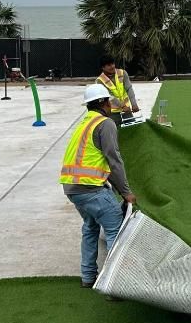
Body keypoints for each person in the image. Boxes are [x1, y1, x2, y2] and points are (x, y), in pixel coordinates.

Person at [60, 84, 137, 288]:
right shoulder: (105, 124)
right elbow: (114, 160)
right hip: (90, 189)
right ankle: (113, 284)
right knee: (114, 230)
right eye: (109, 101)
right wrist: (126, 192)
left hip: (72, 188)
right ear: (103, 103)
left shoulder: (84, 123)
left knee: (90, 228)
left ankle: (88, 277)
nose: (111, 105)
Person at [96, 55, 139, 127]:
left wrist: (134, 104)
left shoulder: (122, 73)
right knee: (114, 132)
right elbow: (109, 96)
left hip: (126, 110)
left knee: (133, 128)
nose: (112, 66)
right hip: (112, 113)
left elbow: (129, 89)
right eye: (109, 65)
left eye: (113, 63)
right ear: (103, 67)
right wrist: (122, 106)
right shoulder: (100, 81)